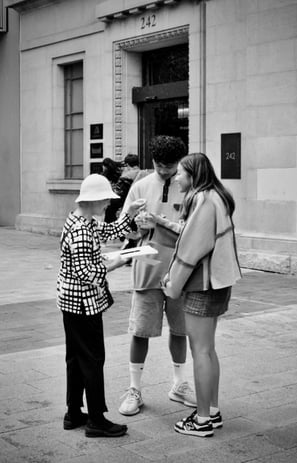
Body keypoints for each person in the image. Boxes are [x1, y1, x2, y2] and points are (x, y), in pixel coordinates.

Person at [57, 174, 145, 438]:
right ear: (92, 200)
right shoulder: (82, 229)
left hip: (70, 302)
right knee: (93, 359)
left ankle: (73, 413)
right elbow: (86, 271)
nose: (108, 203)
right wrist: (117, 261)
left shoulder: (80, 220)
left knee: (75, 358)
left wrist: (127, 212)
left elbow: (109, 231)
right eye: (105, 199)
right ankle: (96, 419)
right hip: (83, 304)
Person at [161, 153, 242, 437]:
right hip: (218, 283)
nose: (176, 177)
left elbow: (190, 251)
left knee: (201, 352)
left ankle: (203, 420)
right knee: (208, 350)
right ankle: (213, 411)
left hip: (202, 286)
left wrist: (172, 285)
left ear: (193, 175)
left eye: (181, 173)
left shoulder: (203, 200)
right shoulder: (217, 196)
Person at [119, 135, 196, 416]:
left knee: (181, 329)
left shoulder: (189, 187)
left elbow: (192, 230)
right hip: (147, 268)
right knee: (140, 331)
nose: (166, 171)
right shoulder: (140, 187)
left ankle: (179, 384)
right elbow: (125, 233)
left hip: (181, 270)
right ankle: (134, 389)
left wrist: (159, 222)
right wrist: (133, 222)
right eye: (161, 165)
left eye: (172, 166)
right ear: (152, 161)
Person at [102, 158, 122, 222]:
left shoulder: (104, 176)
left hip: (110, 198)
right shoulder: (118, 173)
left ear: (105, 166)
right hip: (118, 197)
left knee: (109, 216)